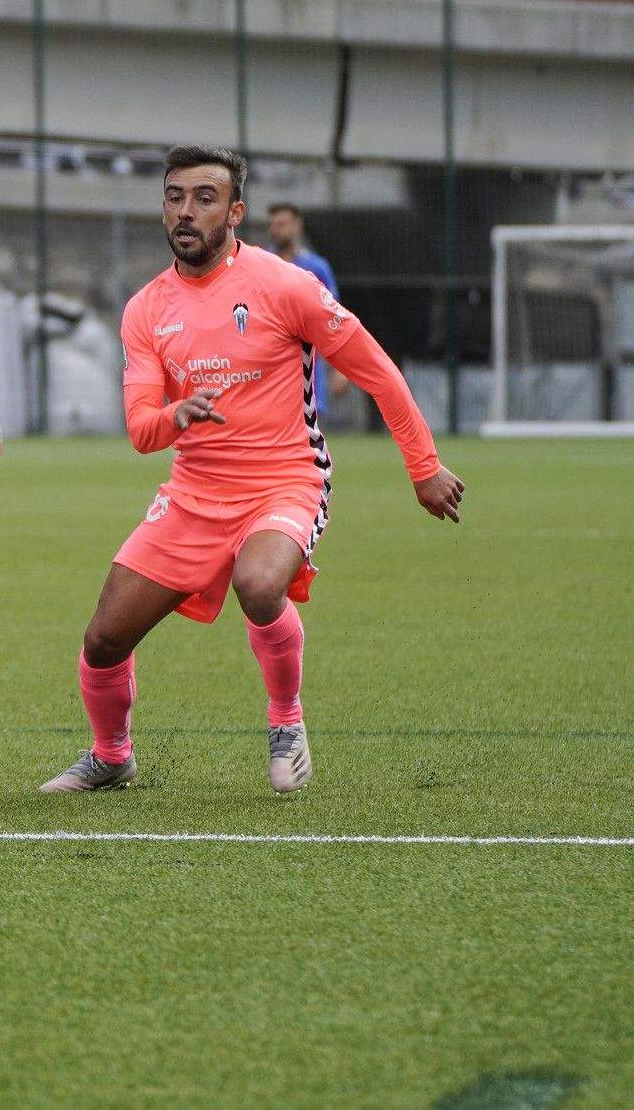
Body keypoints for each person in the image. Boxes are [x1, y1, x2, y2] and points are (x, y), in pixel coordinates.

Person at [40, 145, 464, 796]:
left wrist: (424, 467)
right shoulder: (147, 310)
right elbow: (142, 431)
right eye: (175, 196)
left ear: (235, 211)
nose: (186, 211)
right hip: (192, 496)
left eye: (204, 198)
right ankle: (111, 755)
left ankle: (286, 723)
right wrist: (180, 413)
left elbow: (376, 369)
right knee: (103, 637)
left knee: (259, 584)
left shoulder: (284, 285)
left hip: (285, 482)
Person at [266, 202, 349, 422]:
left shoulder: (317, 267)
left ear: (297, 226)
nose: (277, 229)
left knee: (307, 430)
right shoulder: (263, 264)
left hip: (307, 362)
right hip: (269, 361)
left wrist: (340, 369)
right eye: (274, 225)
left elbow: (334, 319)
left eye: (282, 224)